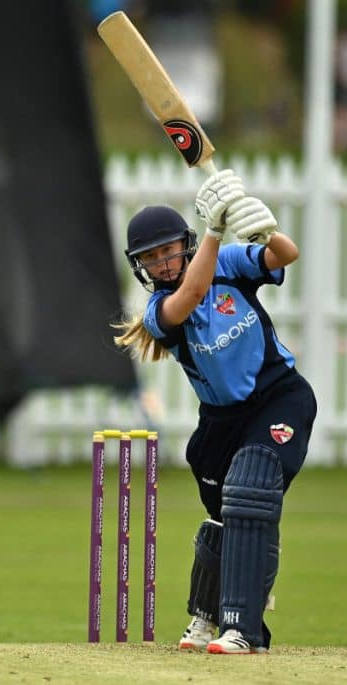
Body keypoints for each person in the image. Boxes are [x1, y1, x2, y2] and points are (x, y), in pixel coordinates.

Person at [113, 172, 317, 654]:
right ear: (140, 266)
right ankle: (206, 619)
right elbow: (191, 294)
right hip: (219, 424)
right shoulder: (158, 310)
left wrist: (264, 228)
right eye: (151, 257)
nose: (162, 263)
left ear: (183, 245)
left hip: (279, 397)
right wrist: (214, 230)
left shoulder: (227, 261)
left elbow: (285, 256)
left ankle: (243, 630)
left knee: (250, 491)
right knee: (226, 519)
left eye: (168, 250)